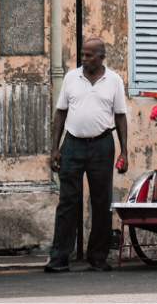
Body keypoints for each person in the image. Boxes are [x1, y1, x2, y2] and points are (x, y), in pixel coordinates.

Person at [45, 37, 129, 272]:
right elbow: (60, 114)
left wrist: (124, 151)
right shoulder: (72, 77)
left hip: (102, 145)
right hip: (72, 145)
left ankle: (97, 257)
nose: (83, 59)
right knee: (68, 201)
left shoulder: (114, 81)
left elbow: (120, 116)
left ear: (101, 57)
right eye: (82, 54)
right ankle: (59, 256)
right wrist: (55, 148)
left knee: (101, 202)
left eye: (88, 55)